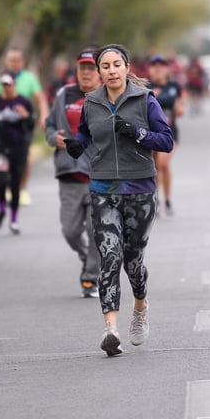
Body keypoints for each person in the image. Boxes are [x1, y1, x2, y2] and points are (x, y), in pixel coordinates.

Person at [64, 44, 174, 357]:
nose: (111, 71)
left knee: (132, 259)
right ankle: (110, 328)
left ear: (126, 68)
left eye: (116, 65)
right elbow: (87, 134)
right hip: (103, 189)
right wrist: (77, 145)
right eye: (105, 66)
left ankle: (140, 306)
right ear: (99, 72)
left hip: (139, 188)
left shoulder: (145, 100)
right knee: (109, 255)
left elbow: (166, 141)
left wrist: (137, 133)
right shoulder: (92, 102)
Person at [44, 49, 103, 298]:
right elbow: (49, 124)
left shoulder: (106, 97)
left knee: (94, 229)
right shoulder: (64, 94)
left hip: (99, 175)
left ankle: (90, 277)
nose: (86, 73)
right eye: (82, 68)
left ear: (99, 72)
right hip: (69, 174)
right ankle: (87, 257)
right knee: (69, 231)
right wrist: (52, 137)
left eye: (91, 68)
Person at [0, 47, 50, 206]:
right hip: (3, 126)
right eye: (11, 60)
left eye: (17, 60)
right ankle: (7, 188)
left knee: (24, 157)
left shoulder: (29, 78)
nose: (14, 63)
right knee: (3, 157)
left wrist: (44, 115)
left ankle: (22, 188)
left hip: (23, 126)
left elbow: (40, 99)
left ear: (22, 62)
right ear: (6, 61)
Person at [0, 70, 34, 234]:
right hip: (0, 147)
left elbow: (31, 125)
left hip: (19, 147)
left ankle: (14, 219)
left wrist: (26, 116)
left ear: (14, 84)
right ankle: (2, 209)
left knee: (15, 184)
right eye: (3, 84)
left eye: (9, 84)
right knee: (0, 181)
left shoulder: (23, 101)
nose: (6, 87)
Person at [146, 54, 184, 216]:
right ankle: (160, 200)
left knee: (161, 163)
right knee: (157, 167)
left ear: (167, 69)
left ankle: (163, 200)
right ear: (150, 69)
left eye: (161, 65)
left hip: (169, 133)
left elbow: (180, 107)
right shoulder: (145, 87)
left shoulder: (174, 86)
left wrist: (179, 107)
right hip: (150, 133)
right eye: (155, 65)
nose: (158, 68)